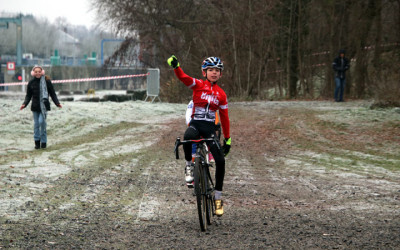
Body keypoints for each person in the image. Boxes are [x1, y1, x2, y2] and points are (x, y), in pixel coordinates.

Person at [168, 55, 231, 216]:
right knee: (188, 136)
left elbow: (224, 117)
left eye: (217, 70)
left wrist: (228, 139)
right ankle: (189, 165)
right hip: (196, 124)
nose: (214, 73)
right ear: (204, 72)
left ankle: (218, 198)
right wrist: (176, 67)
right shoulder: (198, 84)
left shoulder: (221, 94)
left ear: (220, 74)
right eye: (211, 70)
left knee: (221, 161)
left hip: (210, 129)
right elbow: (183, 77)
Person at [20, 66, 62, 149]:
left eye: (39, 71)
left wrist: (57, 103)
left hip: (44, 106)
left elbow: (53, 94)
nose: (38, 73)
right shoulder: (31, 83)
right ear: (33, 73)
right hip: (35, 107)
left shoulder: (47, 82)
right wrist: (24, 104)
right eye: (36, 72)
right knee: (36, 125)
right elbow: (28, 95)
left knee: (41, 122)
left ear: (42, 72)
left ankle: (44, 141)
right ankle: (37, 142)